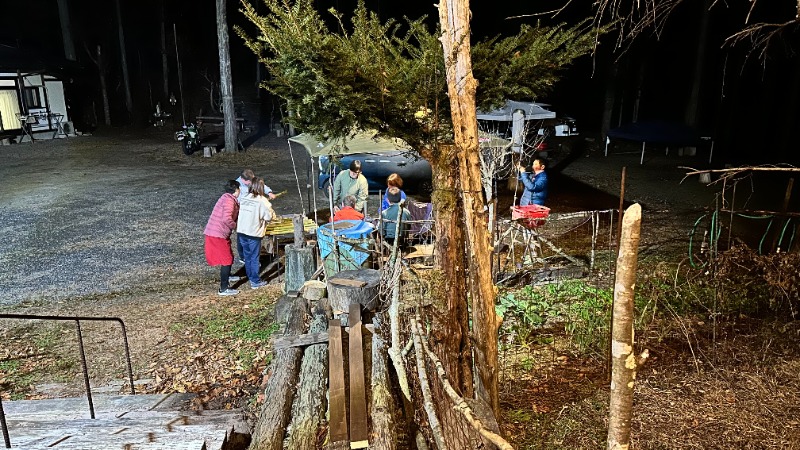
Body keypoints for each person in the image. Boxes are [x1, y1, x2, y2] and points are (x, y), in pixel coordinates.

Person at [236, 177, 277, 289]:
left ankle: (250, 275)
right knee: (254, 257)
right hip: (253, 233)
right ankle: (255, 281)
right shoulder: (262, 201)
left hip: (241, 231)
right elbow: (268, 217)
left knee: (247, 256)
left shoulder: (244, 197)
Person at [204, 180, 242, 296]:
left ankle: (228, 276)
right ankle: (223, 288)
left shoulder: (227, 198)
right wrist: (236, 226)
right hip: (217, 234)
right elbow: (226, 218)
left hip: (218, 233)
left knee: (228, 255)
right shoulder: (229, 201)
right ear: (236, 190)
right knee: (227, 258)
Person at [235, 168, 275, 263]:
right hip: (244, 213)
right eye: (250, 182)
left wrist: (269, 192)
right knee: (243, 237)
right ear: (243, 180)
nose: (251, 183)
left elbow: (260, 185)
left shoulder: (251, 182)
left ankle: (249, 261)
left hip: (251, 212)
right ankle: (243, 257)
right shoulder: (238, 186)